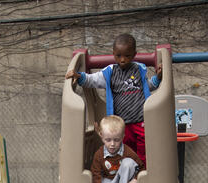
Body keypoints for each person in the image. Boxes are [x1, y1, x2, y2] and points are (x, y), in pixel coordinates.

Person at [65, 33, 162, 166]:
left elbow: (147, 86)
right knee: (124, 148)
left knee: (144, 146)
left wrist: (158, 78)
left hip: (141, 119)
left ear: (134, 54)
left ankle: (142, 171)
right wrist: (80, 76)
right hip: (121, 122)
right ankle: (127, 171)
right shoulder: (110, 72)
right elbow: (93, 80)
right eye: (118, 56)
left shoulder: (139, 69)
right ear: (113, 54)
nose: (122, 60)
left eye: (127, 56)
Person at [91, 115, 145, 183]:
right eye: (108, 140)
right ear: (101, 136)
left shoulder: (127, 151)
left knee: (128, 162)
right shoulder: (99, 155)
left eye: (116, 140)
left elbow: (142, 167)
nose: (112, 144)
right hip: (111, 181)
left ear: (123, 137)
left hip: (125, 180)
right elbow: (96, 175)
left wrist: (135, 180)